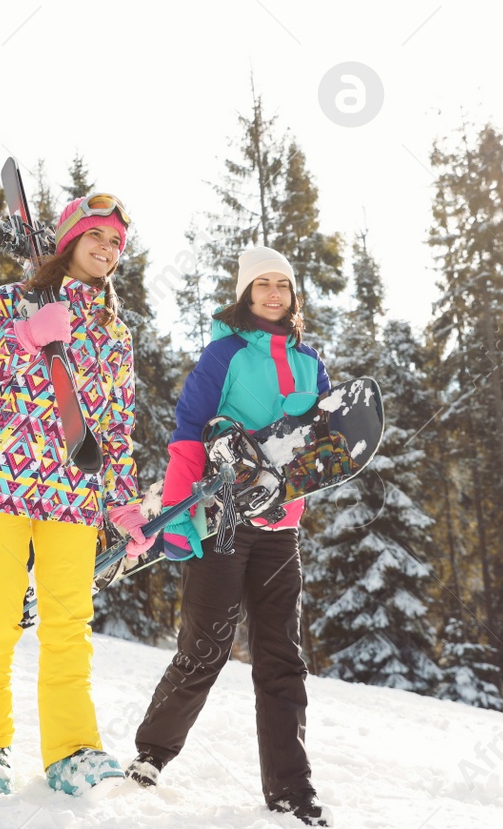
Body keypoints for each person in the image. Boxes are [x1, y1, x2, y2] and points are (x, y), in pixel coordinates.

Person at [125, 246, 332, 826]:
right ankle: (152, 753)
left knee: (282, 660)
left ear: (293, 296)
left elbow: (322, 449)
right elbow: (188, 434)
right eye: (261, 285)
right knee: (206, 646)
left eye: (282, 285)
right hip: (218, 521)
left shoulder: (312, 362)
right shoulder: (223, 355)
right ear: (245, 294)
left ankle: (292, 791)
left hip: (279, 530)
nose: (273, 294)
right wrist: (175, 518)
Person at [0, 191, 141, 795]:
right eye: (96, 235)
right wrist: (26, 335)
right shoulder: (14, 301)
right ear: (68, 239)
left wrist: (124, 501)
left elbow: (116, 425)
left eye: (116, 242)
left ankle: (72, 751)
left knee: (68, 624)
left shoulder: (115, 332)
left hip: (74, 492)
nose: (106, 250)